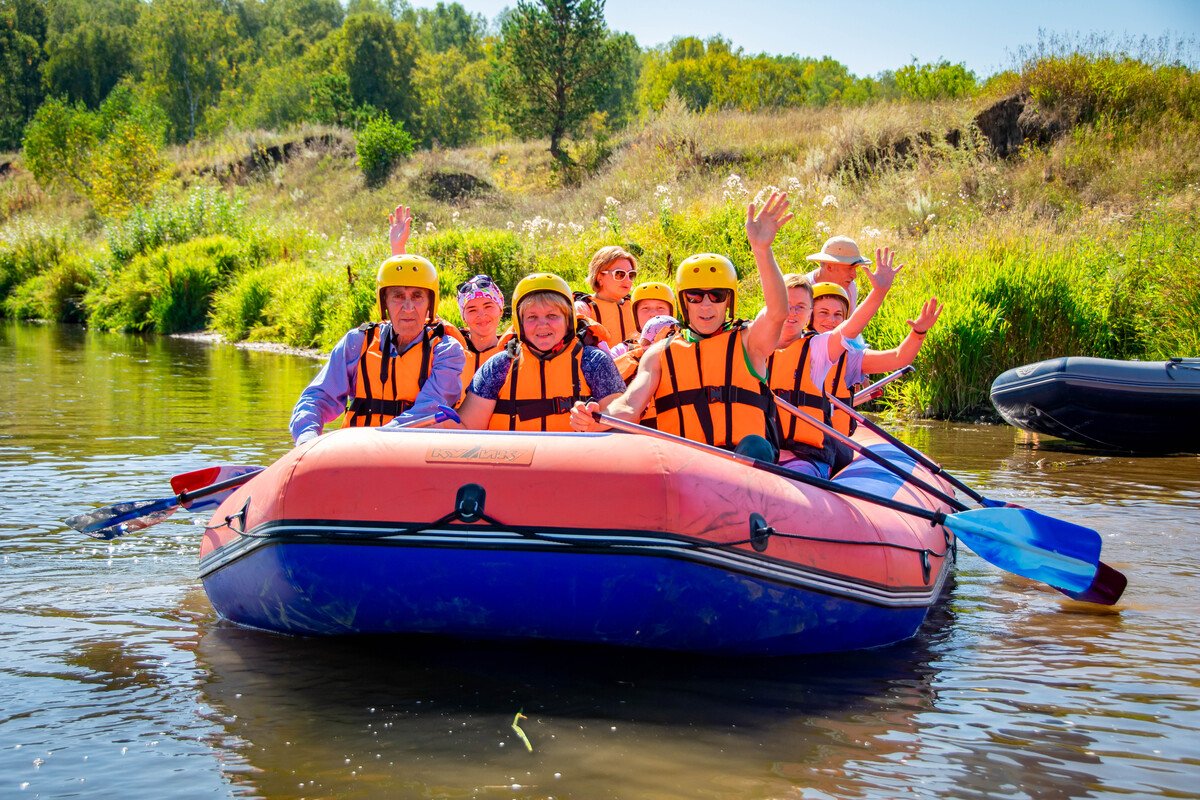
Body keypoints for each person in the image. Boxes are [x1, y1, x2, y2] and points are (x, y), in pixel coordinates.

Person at [570, 191, 792, 456]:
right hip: (687, 472)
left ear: (728, 301)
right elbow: (629, 405)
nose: (706, 305)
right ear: (683, 302)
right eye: (695, 297)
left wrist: (762, 250)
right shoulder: (659, 353)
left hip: (745, 470)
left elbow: (778, 312)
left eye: (716, 296)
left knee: (756, 446)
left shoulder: (749, 341)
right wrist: (599, 418)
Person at [289, 255, 465, 445]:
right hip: (356, 455)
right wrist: (307, 438)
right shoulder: (356, 343)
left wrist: (376, 440)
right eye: (398, 296)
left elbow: (429, 408)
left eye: (417, 296)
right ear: (385, 302)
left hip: (413, 454)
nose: (408, 307)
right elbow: (317, 397)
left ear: (430, 303)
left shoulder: (447, 352)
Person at [764, 258, 901, 476]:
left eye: (800, 307)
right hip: (768, 446)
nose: (792, 313)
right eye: (824, 313)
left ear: (807, 313)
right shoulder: (754, 344)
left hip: (810, 450)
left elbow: (853, 329)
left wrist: (879, 292)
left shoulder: (821, 349)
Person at [457, 273, 626, 431]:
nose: (542, 324)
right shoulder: (500, 366)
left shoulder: (593, 361)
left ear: (568, 320)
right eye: (532, 317)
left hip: (574, 460)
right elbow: (467, 427)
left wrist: (595, 422)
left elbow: (622, 415)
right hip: (513, 461)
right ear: (519, 322)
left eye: (552, 315)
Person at [574, 246, 639, 346]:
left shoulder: (638, 306)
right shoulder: (583, 308)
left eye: (631, 275)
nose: (627, 280)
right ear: (599, 277)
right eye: (619, 274)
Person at [454, 274, 509, 393]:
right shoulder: (451, 352)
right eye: (472, 310)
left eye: (488, 306)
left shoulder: (513, 352)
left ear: (500, 310)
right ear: (464, 317)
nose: (481, 315)